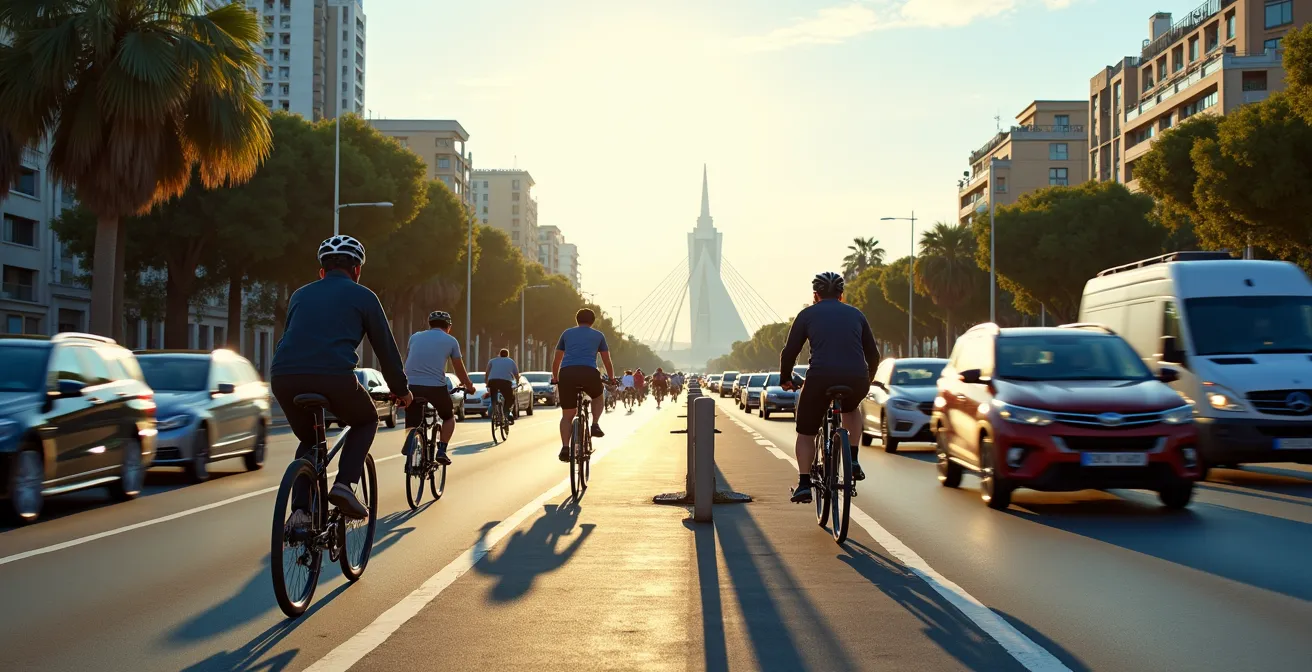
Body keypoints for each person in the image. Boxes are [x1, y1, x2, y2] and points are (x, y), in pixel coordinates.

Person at [270, 235, 414, 522]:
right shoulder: (364, 296)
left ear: (321, 272)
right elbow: (385, 349)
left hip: (283, 376)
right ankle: (344, 486)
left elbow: (290, 337)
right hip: (333, 375)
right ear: (357, 271)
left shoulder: (299, 294)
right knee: (366, 420)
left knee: (309, 440)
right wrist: (401, 390)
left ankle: (299, 512)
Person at [780, 271, 881, 503]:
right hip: (856, 378)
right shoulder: (857, 314)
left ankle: (804, 483)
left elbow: (790, 352)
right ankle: (853, 460)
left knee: (806, 431)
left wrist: (786, 377)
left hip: (819, 378)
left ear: (815, 295)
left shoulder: (806, 315)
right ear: (841, 295)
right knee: (851, 408)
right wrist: (868, 378)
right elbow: (873, 354)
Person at [403, 310, 475, 465]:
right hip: (435, 386)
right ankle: (441, 449)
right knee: (448, 417)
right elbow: (459, 369)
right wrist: (469, 386)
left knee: (412, 418)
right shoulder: (451, 341)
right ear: (448, 327)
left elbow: (407, 360)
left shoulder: (414, 337)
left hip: (412, 385)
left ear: (430, 325)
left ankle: (410, 442)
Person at [551, 308, 616, 461]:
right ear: (592, 321)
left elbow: (557, 359)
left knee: (567, 416)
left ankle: (565, 448)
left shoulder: (566, 333)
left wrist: (556, 378)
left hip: (567, 373)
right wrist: (612, 378)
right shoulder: (599, 335)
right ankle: (594, 424)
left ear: (577, 320)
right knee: (598, 396)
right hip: (589, 372)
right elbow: (606, 360)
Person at [486, 348, 520, 425]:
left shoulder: (492, 361)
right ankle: (506, 411)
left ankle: (495, 413)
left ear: (499, 354)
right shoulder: (511, 361)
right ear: (507, 355)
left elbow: (487, 373)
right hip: (505, 382)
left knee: (493, 398)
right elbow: (516, 374)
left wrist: (487, 383)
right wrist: (517, 383)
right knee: (510, 398)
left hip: (492, 381)